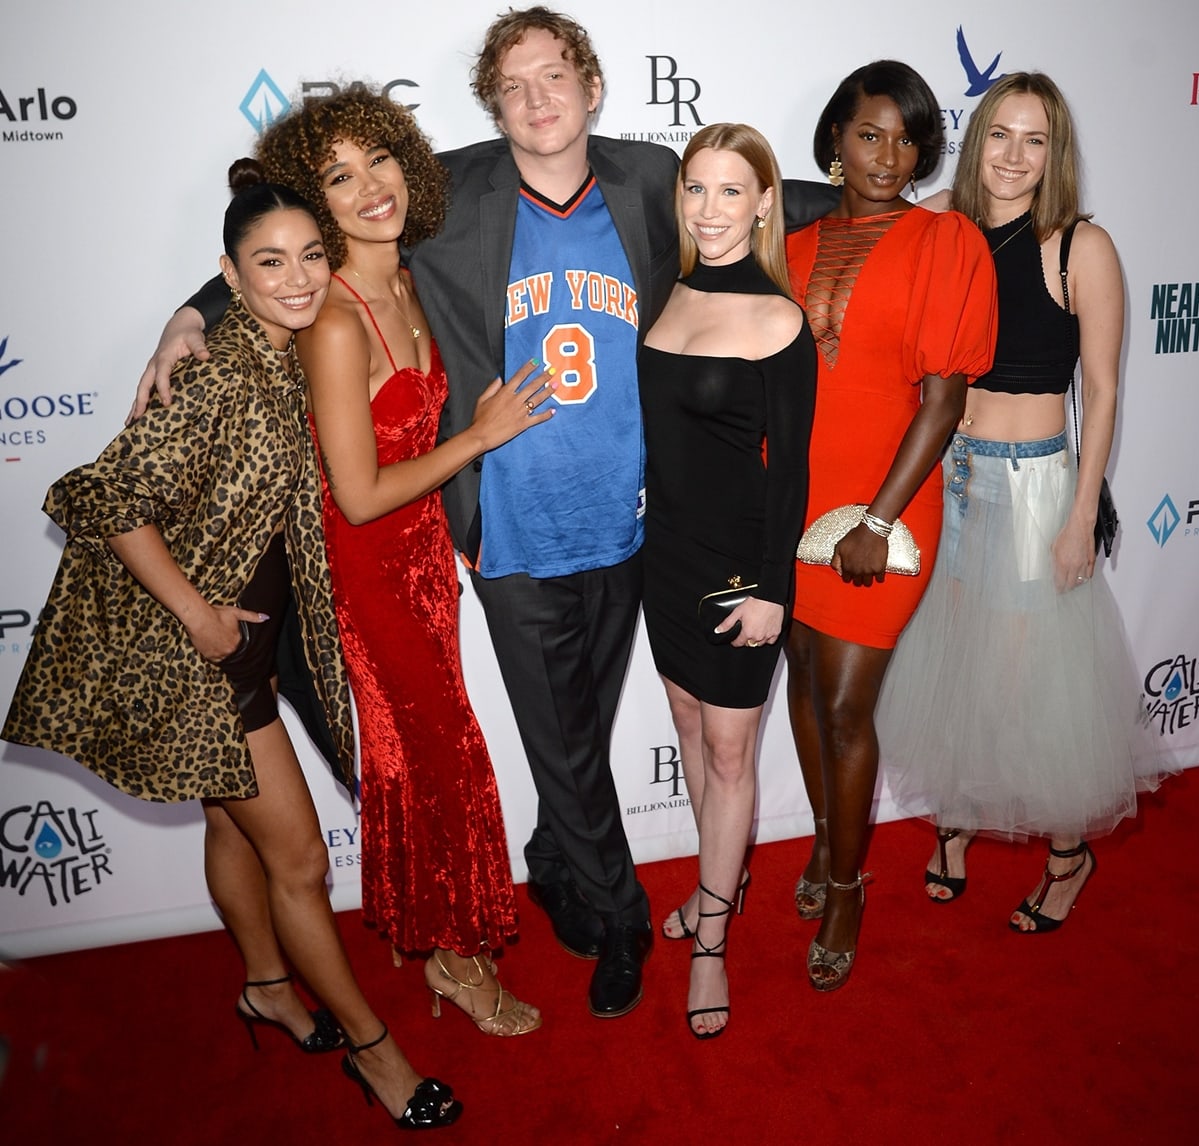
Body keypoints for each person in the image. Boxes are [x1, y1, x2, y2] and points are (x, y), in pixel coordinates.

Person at [132, 6, 838, 1018]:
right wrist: (191, 311)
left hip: (635, 528)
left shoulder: (649, 180)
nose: (537, 98)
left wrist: (901, 202)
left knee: (580, 739)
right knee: (560, 742)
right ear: (492, 105)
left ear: (591, 87)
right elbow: (301, 243)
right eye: (513, 84)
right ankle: (623, 916)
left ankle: (557, 858)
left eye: (555, 76)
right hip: (509, 533)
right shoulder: (449, 193)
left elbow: (775, 195)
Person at [3, 165, 461, 1130]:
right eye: (269, 263)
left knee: (230, 825)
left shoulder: (287, 349)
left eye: (309, 258)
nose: (296, 279)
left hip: (255, 636)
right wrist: (200, 618)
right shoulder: (217, 378)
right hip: (206, 657)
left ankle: (264, 986)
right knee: (299, 863)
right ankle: (378, 1056)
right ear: (230, 272)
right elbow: (94, 497)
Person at [258, 89, 550, 1036]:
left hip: (425, 565)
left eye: (379, 160)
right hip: (373, 575)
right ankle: (456, 963)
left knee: (434, 762)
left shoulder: (410, 279)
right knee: (436, 766)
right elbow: (358, 494)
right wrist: (480, 437)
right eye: (337, 177)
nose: (368, 187)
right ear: (315, 200)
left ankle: (434, 931)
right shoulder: (337, 322)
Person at [876, 73, 1170, 931]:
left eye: (1033, 140)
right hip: (952, 474)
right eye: (998, 135)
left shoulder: (1082, 246)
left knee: (1034, 681)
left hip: (1036, 481)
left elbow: (1105, 393)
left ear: (1056, 153)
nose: (1012, 156)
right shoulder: (947, 228)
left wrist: (1080, 516)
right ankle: (958, 817)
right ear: (976, 144)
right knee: (953, 657)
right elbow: (888, 200)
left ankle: (1069, 855)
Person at [783, 60, 997, 990]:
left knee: (844, 704)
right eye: (870, 134)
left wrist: (875, 517)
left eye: (908, 138)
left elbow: (943, 401)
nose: (889, 155)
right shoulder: (784, 249)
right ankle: (829, 831)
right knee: (798, 677)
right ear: (835, 139)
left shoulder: (948, 243)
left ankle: (846, 886)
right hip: (790, 496)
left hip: (884, 505)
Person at [639, 123, 816, 1038]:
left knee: (730, 755)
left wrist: (773, 591)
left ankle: (711, 941)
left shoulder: (780, 319)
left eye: (730, 192)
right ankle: (725, 882)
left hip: (742, 567)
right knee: (686, 728)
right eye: (695, 190)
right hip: (662, 556)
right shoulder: (666, 294)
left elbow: (790, 473)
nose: (710, 210)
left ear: (762, 203)